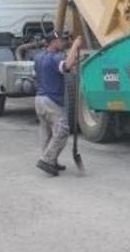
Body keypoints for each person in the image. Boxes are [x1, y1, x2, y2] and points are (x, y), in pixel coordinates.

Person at [34, 31, 82, 176]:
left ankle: (50, 160)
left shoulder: (38, 57)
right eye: (60, 41)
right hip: (51, 100)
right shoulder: (55, 58)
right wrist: (75, 46)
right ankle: (47, 160)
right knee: (62, 131)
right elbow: (67, 66)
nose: (63, 43)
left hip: (39, 100)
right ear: (53, 42)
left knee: (47, 133)